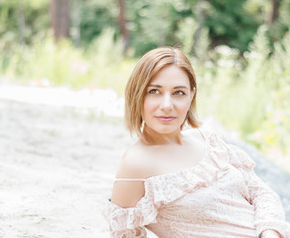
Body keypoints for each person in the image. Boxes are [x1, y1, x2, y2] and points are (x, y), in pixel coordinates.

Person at [101, 47, 290, 238]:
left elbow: (261, 192)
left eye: (178, 93)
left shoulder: (207, 140)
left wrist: (270, 232)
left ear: (191, 95)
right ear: (137, 94)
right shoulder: (135, 165)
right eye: (154, 91)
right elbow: (125, 234)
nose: (167, 105)